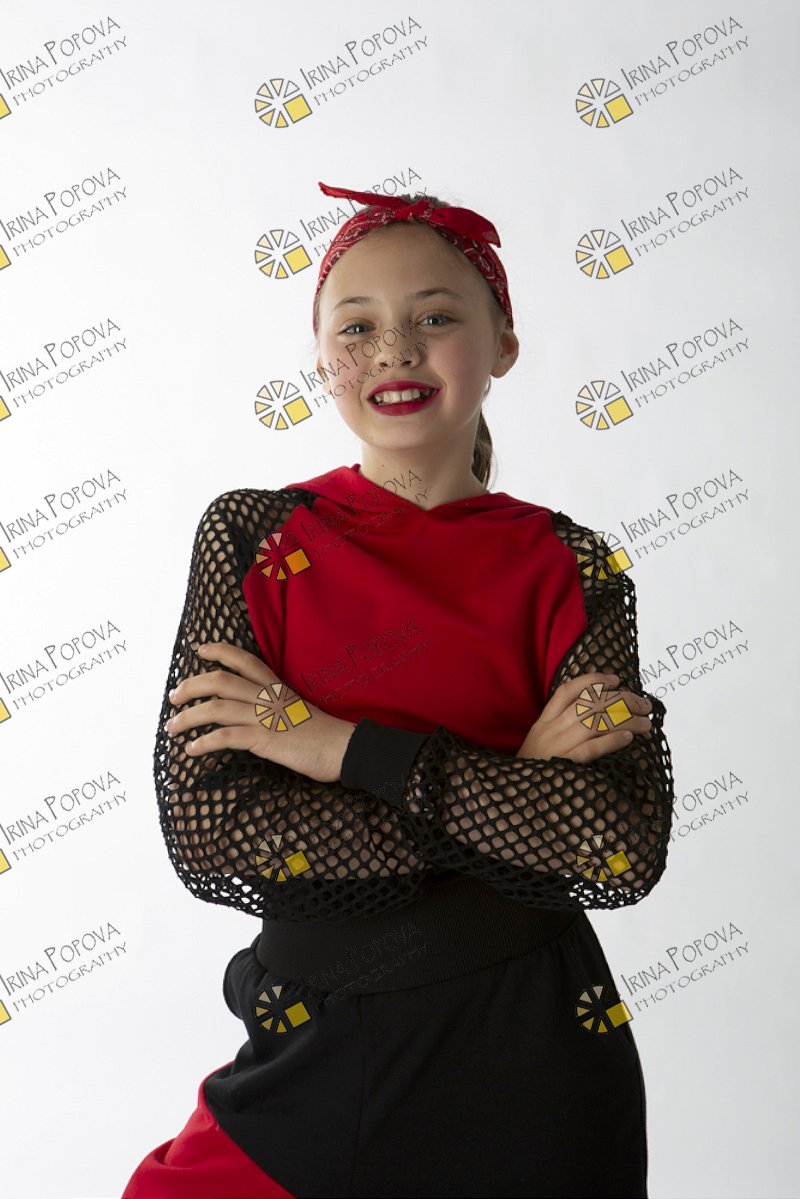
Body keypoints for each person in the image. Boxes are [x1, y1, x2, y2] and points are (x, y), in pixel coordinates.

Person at [120, 180, 675, 1199]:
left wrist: (335, 747)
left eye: (435, 317)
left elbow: (617, 843)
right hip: (307, 1049)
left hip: (531, 1060)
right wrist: (516, 787)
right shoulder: (254, 536)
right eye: (357, 326)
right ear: (321, 357)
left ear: (503, 344)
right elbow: (214, 834)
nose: (394, 350)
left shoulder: (574, 564)